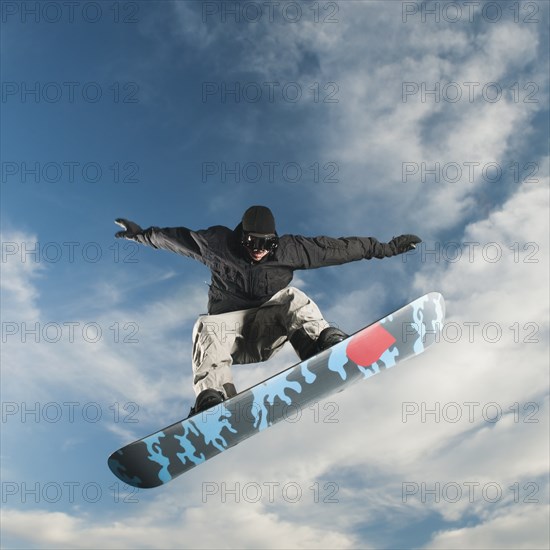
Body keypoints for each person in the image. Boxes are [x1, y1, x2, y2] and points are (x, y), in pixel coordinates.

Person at [114, 205, 420, 416]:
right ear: (240, 236)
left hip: (268, 330)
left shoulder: (290, 249)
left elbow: (338, 249)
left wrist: (386, 248)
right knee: (205, 326)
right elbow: (172, 239)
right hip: (230, 337)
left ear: (275, 241)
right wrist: (139, 234)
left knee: (291, 297)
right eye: (252, 243)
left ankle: (320, 347)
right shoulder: (215, 243)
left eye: (266, 245)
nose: (259, 250)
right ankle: (213, 397)